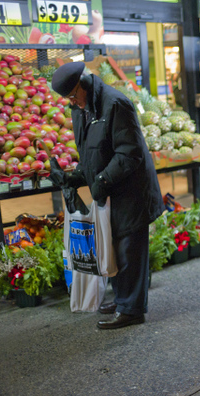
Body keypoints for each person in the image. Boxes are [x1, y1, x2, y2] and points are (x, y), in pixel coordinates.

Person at [51, 62, 164, 329]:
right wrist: (74, 176)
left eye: (72, 96)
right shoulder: (81, 109)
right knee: (113, 245)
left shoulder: (115, 104)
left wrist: (100, 180)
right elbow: (92, 153)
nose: (72, 103)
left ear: (82, 85)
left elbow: (130, 153)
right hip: (112, 189)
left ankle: (132, 310)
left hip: (131, 190)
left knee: (129, 248)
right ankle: (124, 300)